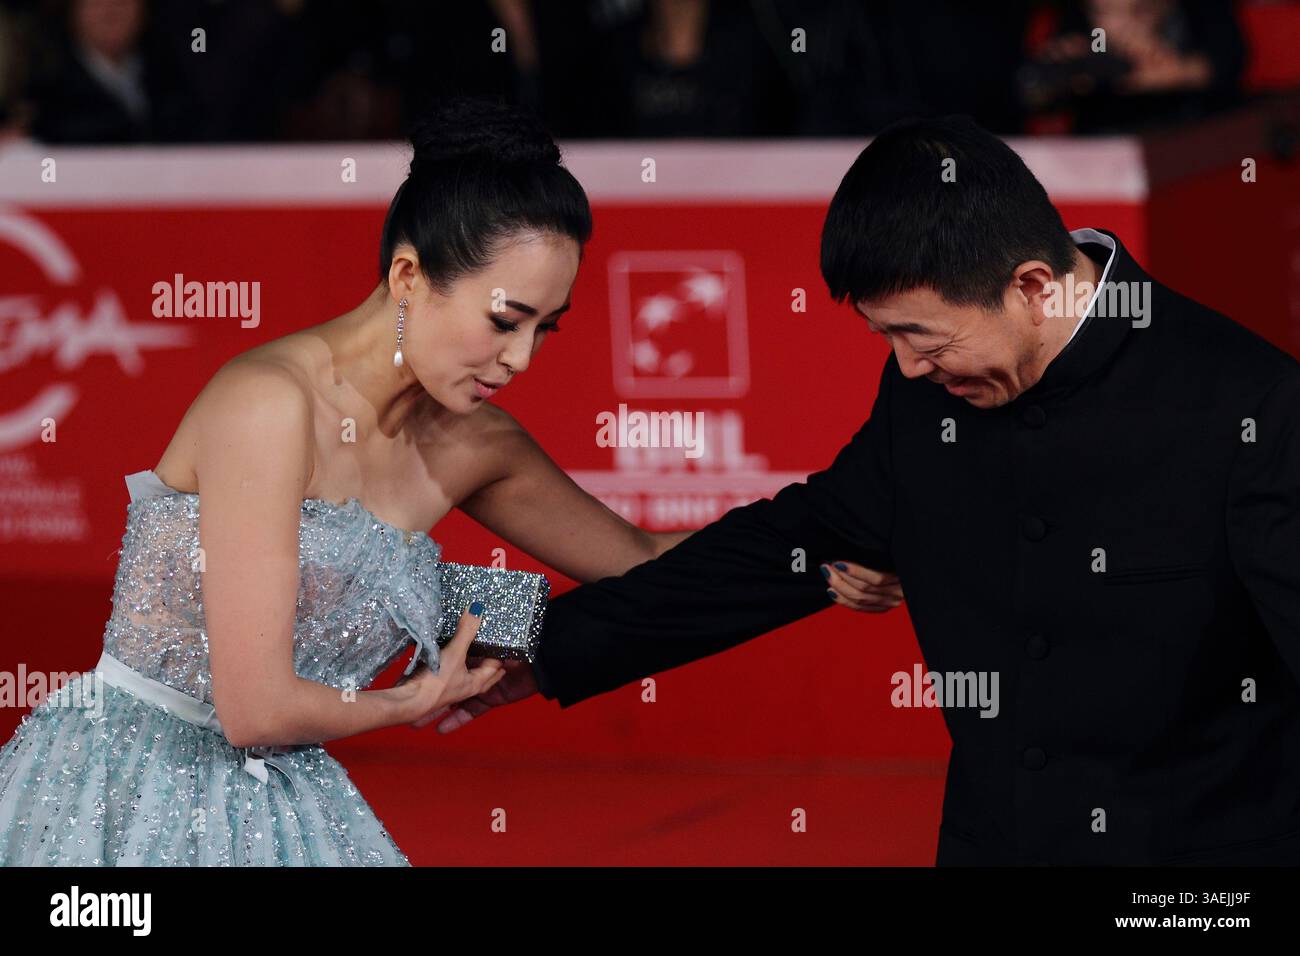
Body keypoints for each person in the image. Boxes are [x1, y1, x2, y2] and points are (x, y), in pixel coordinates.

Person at [0, 96, 891, 866]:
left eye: (547, 330)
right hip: (118, 791)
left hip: (285, 796)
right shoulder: (266, 406)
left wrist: (822, 558)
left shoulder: (476, 444)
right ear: (408, 275)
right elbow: (254, 706)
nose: (519, 358)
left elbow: (641, 560)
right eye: (505, 319)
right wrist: (414, 698)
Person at [441, 114, 1300, 867]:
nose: (906, 366)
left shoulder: (1249, 405)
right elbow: (783, 549)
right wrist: (545, 645)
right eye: (888, 338)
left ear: (1034, 287)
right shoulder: (932, 391)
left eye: (920, 336)